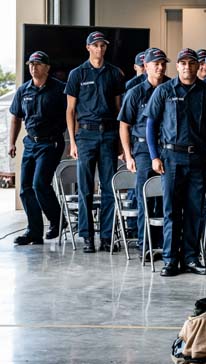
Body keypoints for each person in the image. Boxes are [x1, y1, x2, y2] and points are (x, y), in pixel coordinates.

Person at [145, 48, 206, 277]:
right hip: (170, 158)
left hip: (198, 158)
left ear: (199, 66)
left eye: (191, 63)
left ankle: (191, 258)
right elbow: (151, 125)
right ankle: (170, 260)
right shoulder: (164, 91)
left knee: (194, 210)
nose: (187, 67)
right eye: (183, 63)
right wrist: (154, 156)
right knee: (171, 211)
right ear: (177, 67)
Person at [64, 31, 126, 253]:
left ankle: (108, 237)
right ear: (88, 47)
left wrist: (120, 141)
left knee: (109, 188)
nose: (99, 49)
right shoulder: (77, 74)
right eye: (95, 45)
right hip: (85, 136)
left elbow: (119, 110)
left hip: (109, 134)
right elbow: (70, 110)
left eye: (102, 45)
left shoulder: (114, 74)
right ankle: (87, 237)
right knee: (86, 189)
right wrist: (72, 141)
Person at [8, 51, 67, 245]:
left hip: (51, 143)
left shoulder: (60, 90)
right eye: (31, 64)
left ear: (47, 68)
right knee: (25, 187)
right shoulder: (23, 90)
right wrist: (11, 143)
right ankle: (34, 231)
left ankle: (57, 221)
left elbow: (71, 114)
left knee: (39, 184)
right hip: (30, 143)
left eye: (38, 64)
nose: (33, 67)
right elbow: (16, 118)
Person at [118, 48, 170, 254]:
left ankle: (163, 244)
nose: (160, 67)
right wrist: (128, 155)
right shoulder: (135, 92)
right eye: (155, 64)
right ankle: (145, 244)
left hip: (166, 147)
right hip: (141, 150)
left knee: (165, 199)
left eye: (163, 63)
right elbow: (124, 125)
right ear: (145, 66)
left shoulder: (171, 87)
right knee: (144, 198)